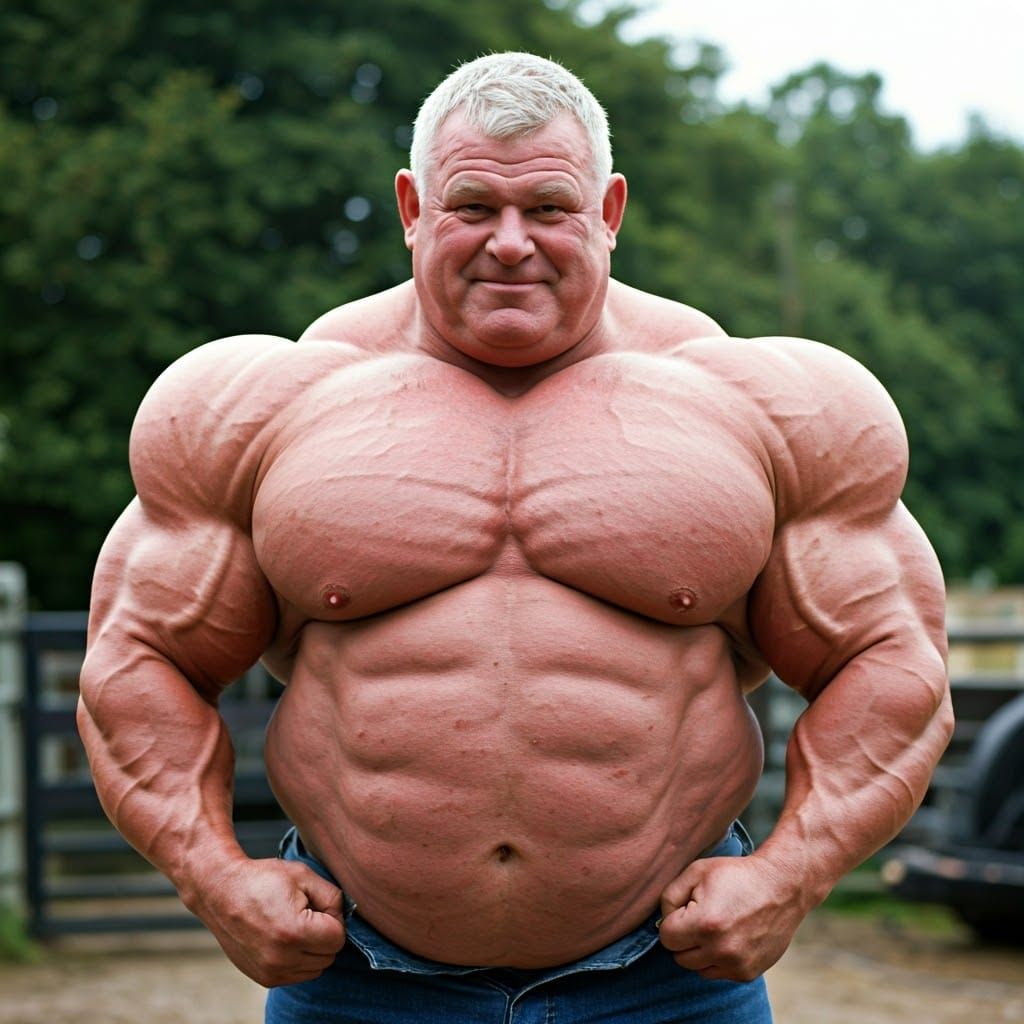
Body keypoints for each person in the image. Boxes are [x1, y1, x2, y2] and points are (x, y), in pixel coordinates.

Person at [77, 51, 953, 1023]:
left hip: (666, 979)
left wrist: (791, 874)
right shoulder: (262, 407)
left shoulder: (766, 406)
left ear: (608, 211)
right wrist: (214, 878)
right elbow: (137, 660)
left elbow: (891, 661)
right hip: (357, 979)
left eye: (547, 208)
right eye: (470, 207)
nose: (508, 244)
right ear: (411, 205)